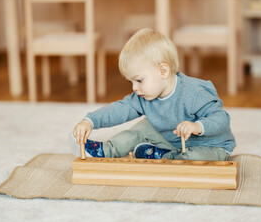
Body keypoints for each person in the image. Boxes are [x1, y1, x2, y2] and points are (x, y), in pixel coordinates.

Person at [69, 28, 235, 161]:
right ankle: (105, 150)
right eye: (131, 82)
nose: (134, 88)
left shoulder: (193, 93)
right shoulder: (143, 97)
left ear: (163, 71)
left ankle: (162, 156)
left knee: (193, 159)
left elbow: (222, 118)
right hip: (173, 141)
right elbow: (119, 109)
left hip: (212, 146)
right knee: (144, 126)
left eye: (139, 80)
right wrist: (90, 121)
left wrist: (197, 126)